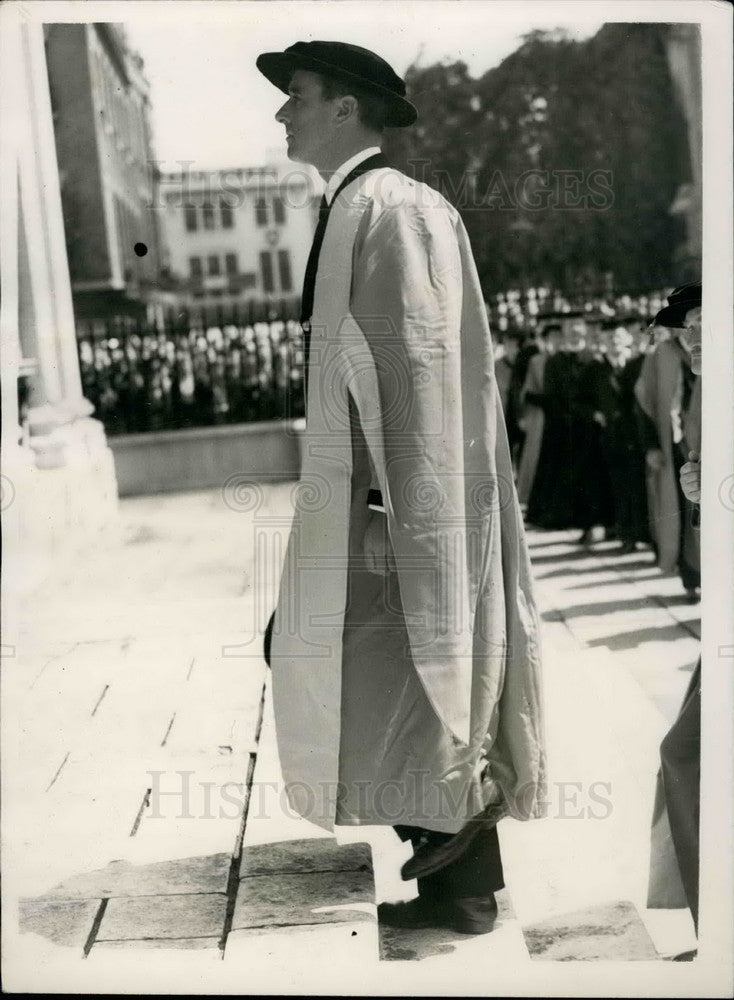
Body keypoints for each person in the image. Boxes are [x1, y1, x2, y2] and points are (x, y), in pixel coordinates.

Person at [257, 40, 546, 935]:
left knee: (420, 671)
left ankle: (462, 880)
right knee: (367, 666)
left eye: (296, 95)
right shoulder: (360, 204)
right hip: (364, 500)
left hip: (387, 509)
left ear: (346, 108)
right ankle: (452, 872)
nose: (282, 112)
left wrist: (391, 507)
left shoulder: (393, 210)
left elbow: (417, 373)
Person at [646, 283, 702, 951]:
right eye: (684, 326)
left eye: (704, 321)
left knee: (686, 755)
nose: (690, 335)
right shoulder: (694, 390)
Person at [634, 284, 702, 599]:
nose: (690, 336)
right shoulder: (661, 355)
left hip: (698, 442)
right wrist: (650, 446)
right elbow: (645, 404)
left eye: (699, 325)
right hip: (675, 446)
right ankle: (690, 577)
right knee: (684, 512)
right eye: (687, 327)